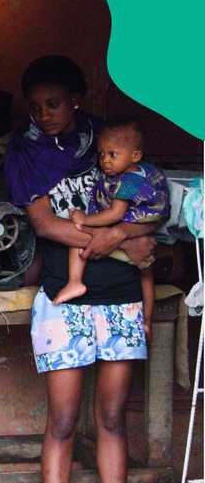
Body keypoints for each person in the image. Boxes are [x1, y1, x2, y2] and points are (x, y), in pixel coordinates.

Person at [4, 55, 158, 483]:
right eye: (36, 107)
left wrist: (130, 235)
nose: (44, 115)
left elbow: (148, 209)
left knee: (112, 420)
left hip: (118, 299)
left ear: (77, 100)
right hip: (62, 300)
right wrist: (115, 239)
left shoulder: (109, 142)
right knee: (64, 424)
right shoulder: (24, 154)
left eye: (54, 103)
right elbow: (45, 224)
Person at [54, 121, 169, 336]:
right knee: (146, 275)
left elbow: (115, 214)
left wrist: (84, 218)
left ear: (135, 156)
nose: (105, 160)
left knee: (76, 233)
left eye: (113, 154)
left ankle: (75, 281)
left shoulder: (131, 180)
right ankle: (147, 321)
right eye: (101, 154)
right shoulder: (129, 174)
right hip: (136, 230)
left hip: (132, 224)